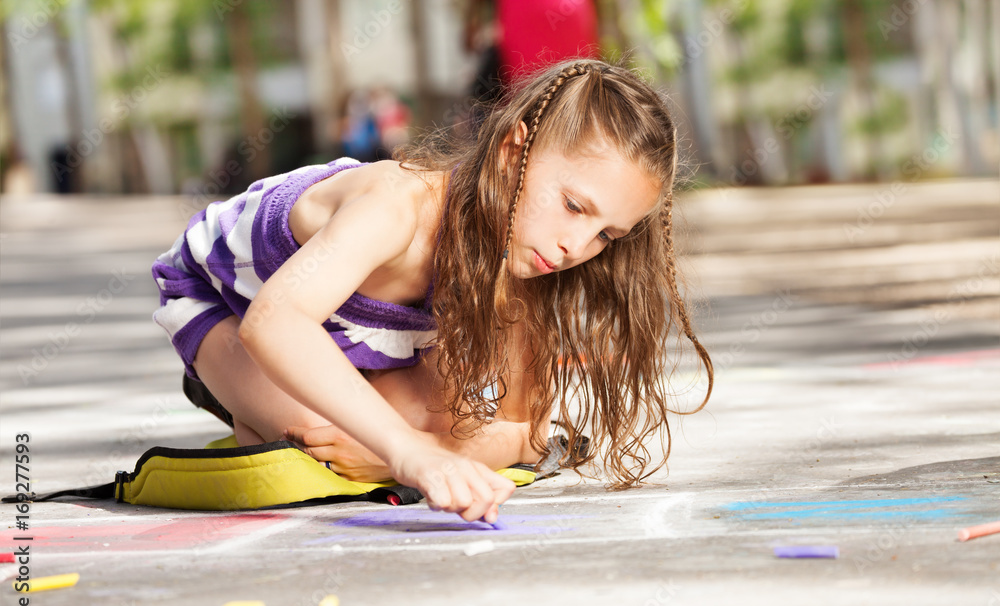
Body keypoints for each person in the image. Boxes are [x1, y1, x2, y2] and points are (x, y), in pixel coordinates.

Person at [150, 59, 713, 525]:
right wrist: (408, 451)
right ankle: (234, 389)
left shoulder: (527, 258)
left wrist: (430, 446)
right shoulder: (398, 207)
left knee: (412, 426)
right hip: (231, 298)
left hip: (356, 331)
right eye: (573, 206)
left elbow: (527, 431)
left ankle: (281, 401)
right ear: (513, 150)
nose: (576, 245)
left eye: (605, 235)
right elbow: (275, 320)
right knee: (330, 436)